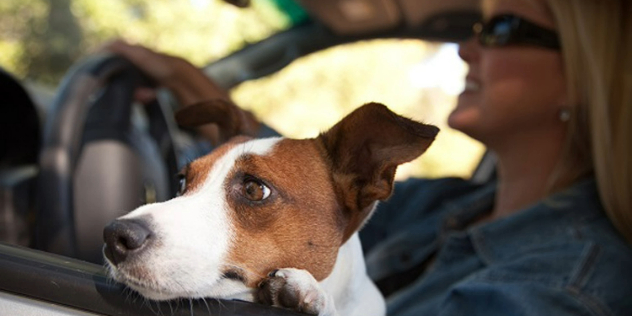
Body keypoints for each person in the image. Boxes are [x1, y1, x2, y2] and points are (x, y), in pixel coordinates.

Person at [105, 0, 632, 314]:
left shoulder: (567, 287)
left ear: (588, 74)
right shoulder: (443, 204)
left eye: (499, 30)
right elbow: (291, 174)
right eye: (474, 32)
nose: (467, 50)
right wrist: (175, 73)